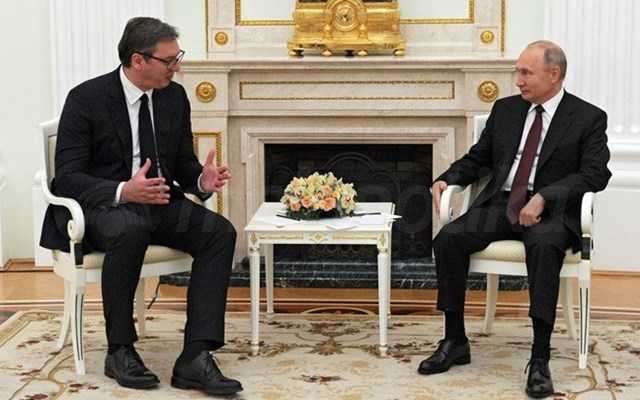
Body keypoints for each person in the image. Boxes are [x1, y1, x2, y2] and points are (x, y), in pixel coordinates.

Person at [40, 17, 242, 396]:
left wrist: (202, 180)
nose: (176, 67)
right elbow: (66, 178)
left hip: (158, 202)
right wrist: (124, 190)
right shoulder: (86, 99)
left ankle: (195, 356)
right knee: (130, 229)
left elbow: (182, 164)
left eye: (177, 57)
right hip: (104, 207)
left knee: (219, 233)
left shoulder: (173, 97)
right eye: (169, 60)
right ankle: (120, 350)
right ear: (138, 60)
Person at [417, 40, 611, 399]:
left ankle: (539, 358)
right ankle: (454, 340)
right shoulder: (506, 110)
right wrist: (449, 178)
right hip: (502, 203)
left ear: (553, 74)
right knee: (449, 239)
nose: (518, 80)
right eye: (517, 72)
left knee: (544, 247)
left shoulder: (588, 118)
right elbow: (479, 158)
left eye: (526, 73)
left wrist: (545, 196)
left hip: (552, 211)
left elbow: (595, 174)